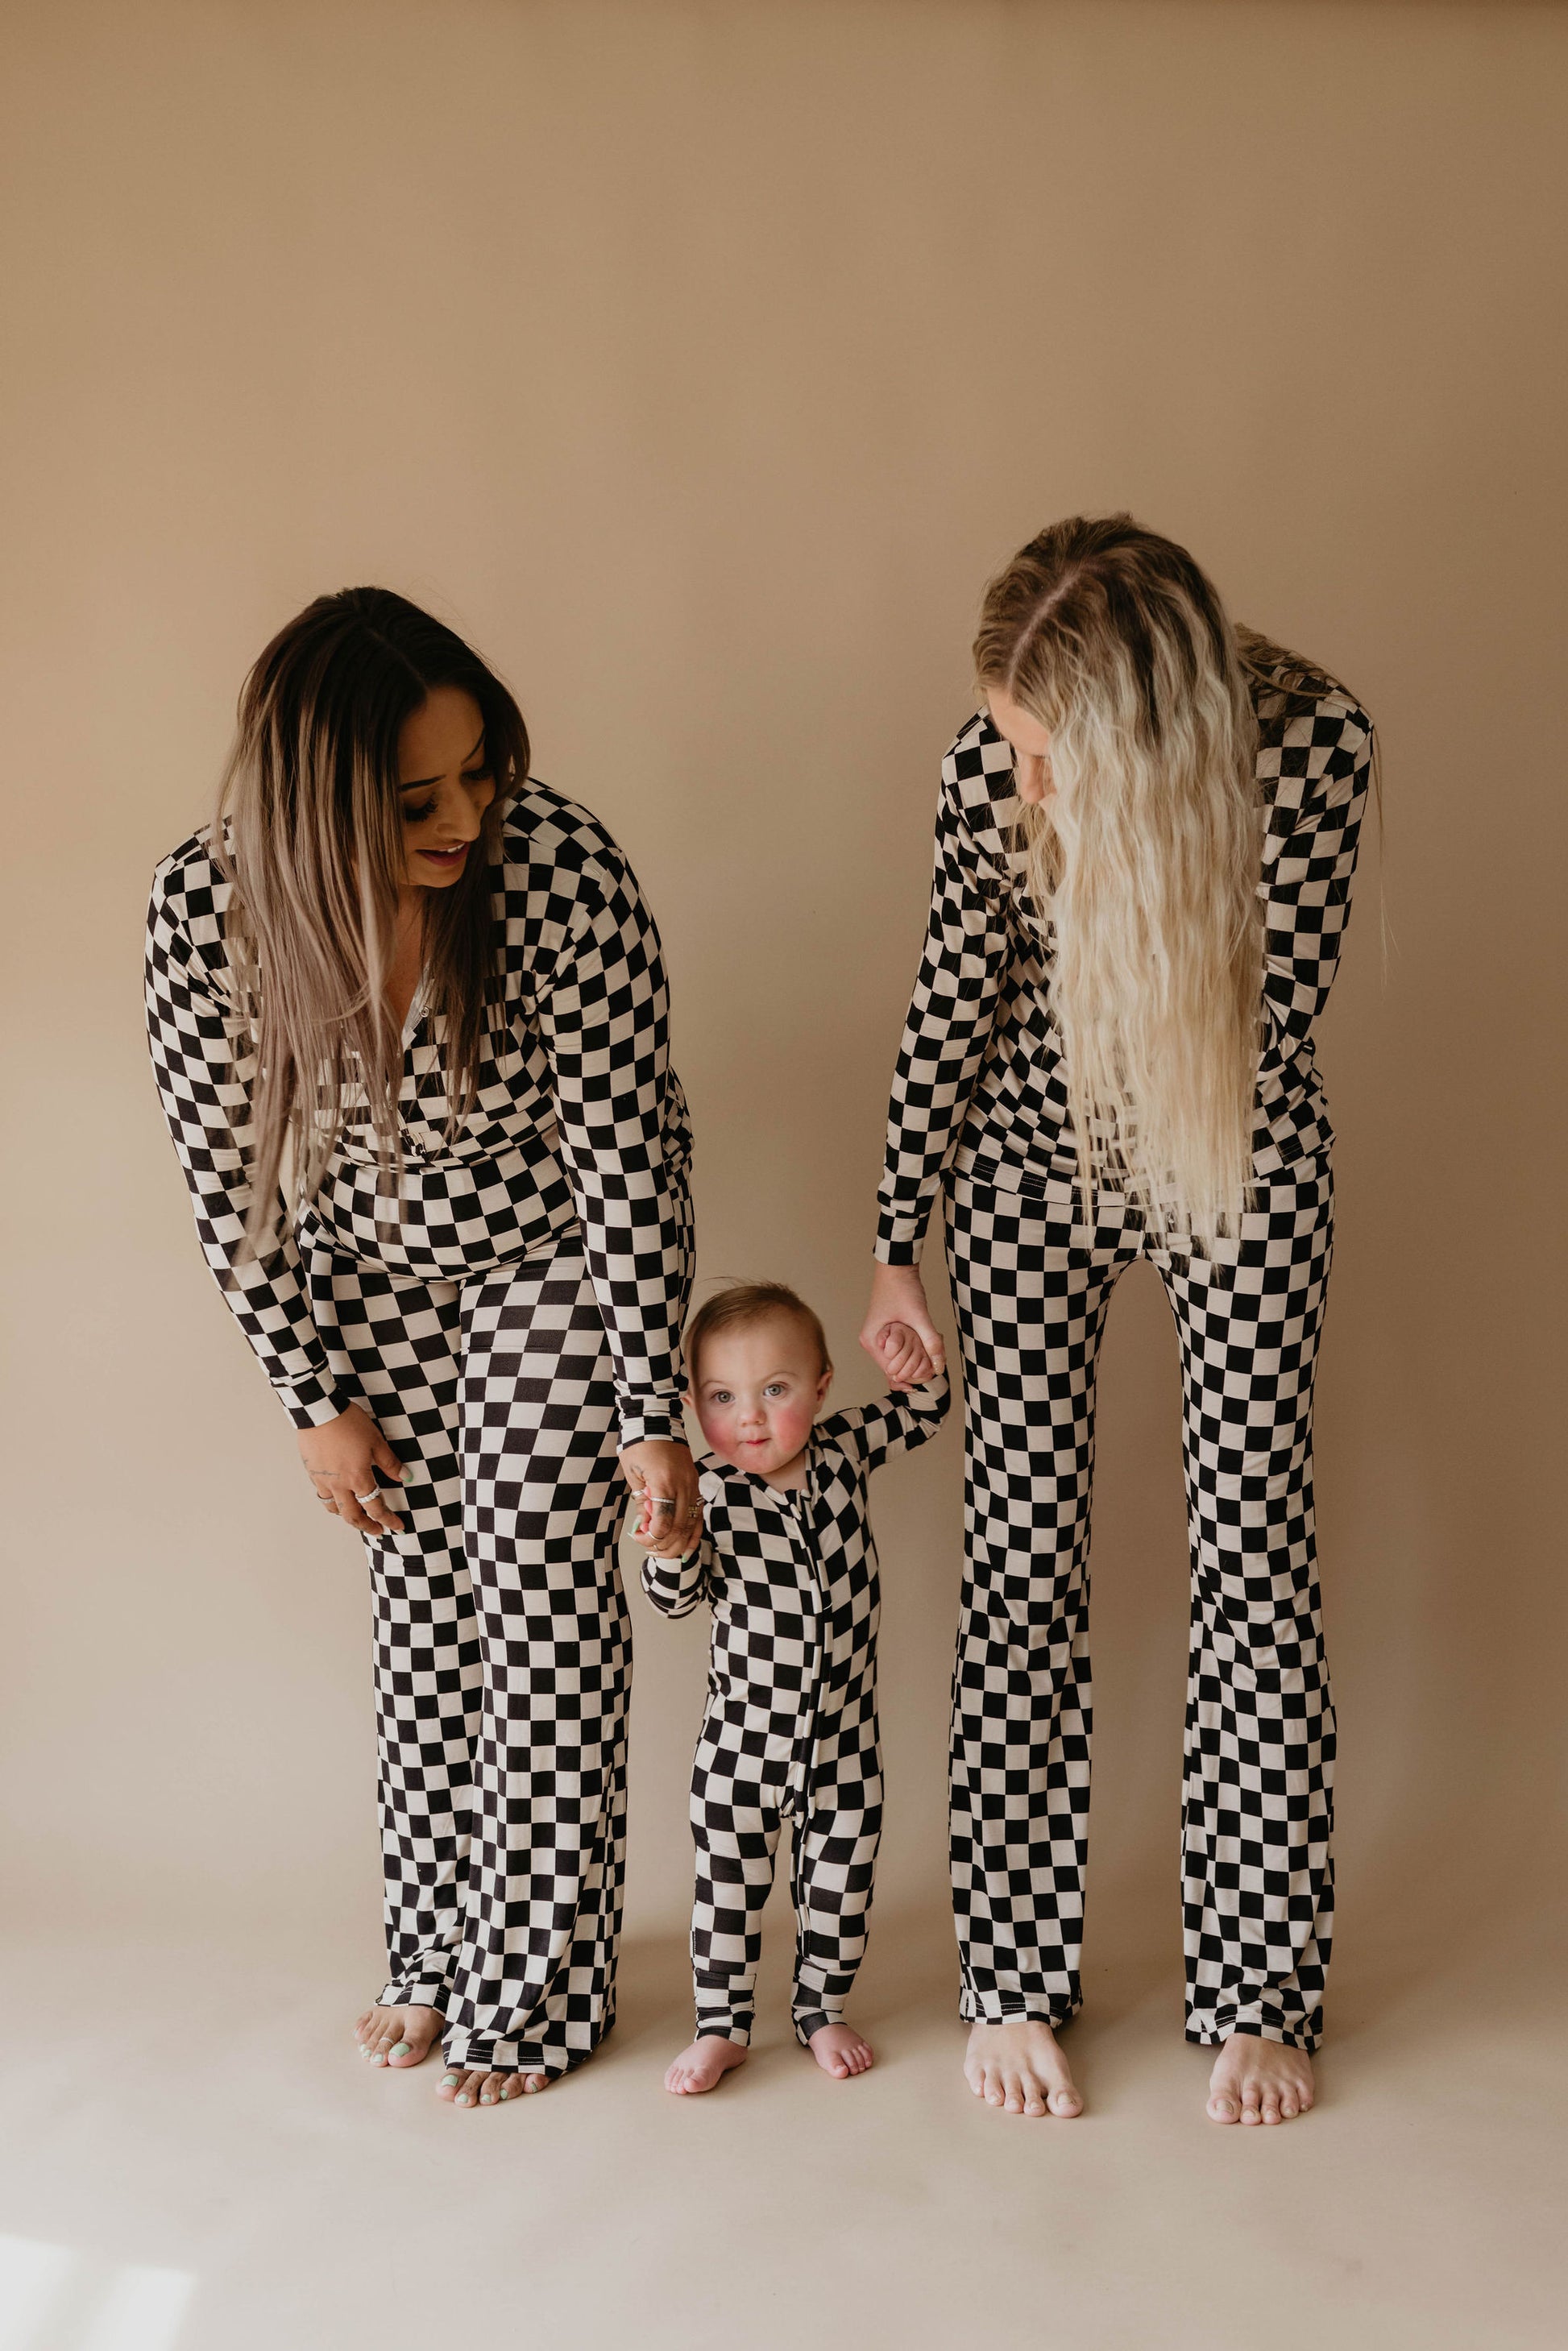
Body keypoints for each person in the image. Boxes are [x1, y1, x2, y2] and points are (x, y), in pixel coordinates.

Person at [145, 588, 699, 2109]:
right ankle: (433, 1951)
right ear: (319, 807)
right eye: (419, 796)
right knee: (425, 1609)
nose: (469, 812)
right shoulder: (205, 910)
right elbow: (228, 1180)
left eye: (481, 771)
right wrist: (310, 1396)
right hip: (357, 1278)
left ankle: (537, 1985)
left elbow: (626, 1154)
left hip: (549, 1251)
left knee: (535, 1599)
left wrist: (652, 1408)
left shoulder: (559, 869)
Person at [860, 515, 1375, 2128]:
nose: (1015, 786)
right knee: (1016, 1556)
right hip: (1027, 1154)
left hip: (1229, 1136)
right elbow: (951, 987)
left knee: (1251, 1547)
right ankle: (1010, 1975)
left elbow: (1259, 1016)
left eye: (1043, 756)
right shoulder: (984, 775)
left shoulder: (1315, 750)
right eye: (1001, 747)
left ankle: (1258, 1987)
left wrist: (1128, 862)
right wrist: (894, 1244)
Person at [638, 1282, 949, 2093]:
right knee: (726, 1900)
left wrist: (909, 1357)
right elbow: (673, 1598)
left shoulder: (843, 1451)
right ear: (690, 1402)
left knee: (839, 1891)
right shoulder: (705, 1495)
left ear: (819, 1387)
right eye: (720, 1396)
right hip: (740, 1752)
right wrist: (670, 1545)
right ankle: (720, 2025)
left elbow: (922, 1407)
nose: (749, 1416)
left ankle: (820, 2006)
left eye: (774, 1390)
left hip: (843, 1749)